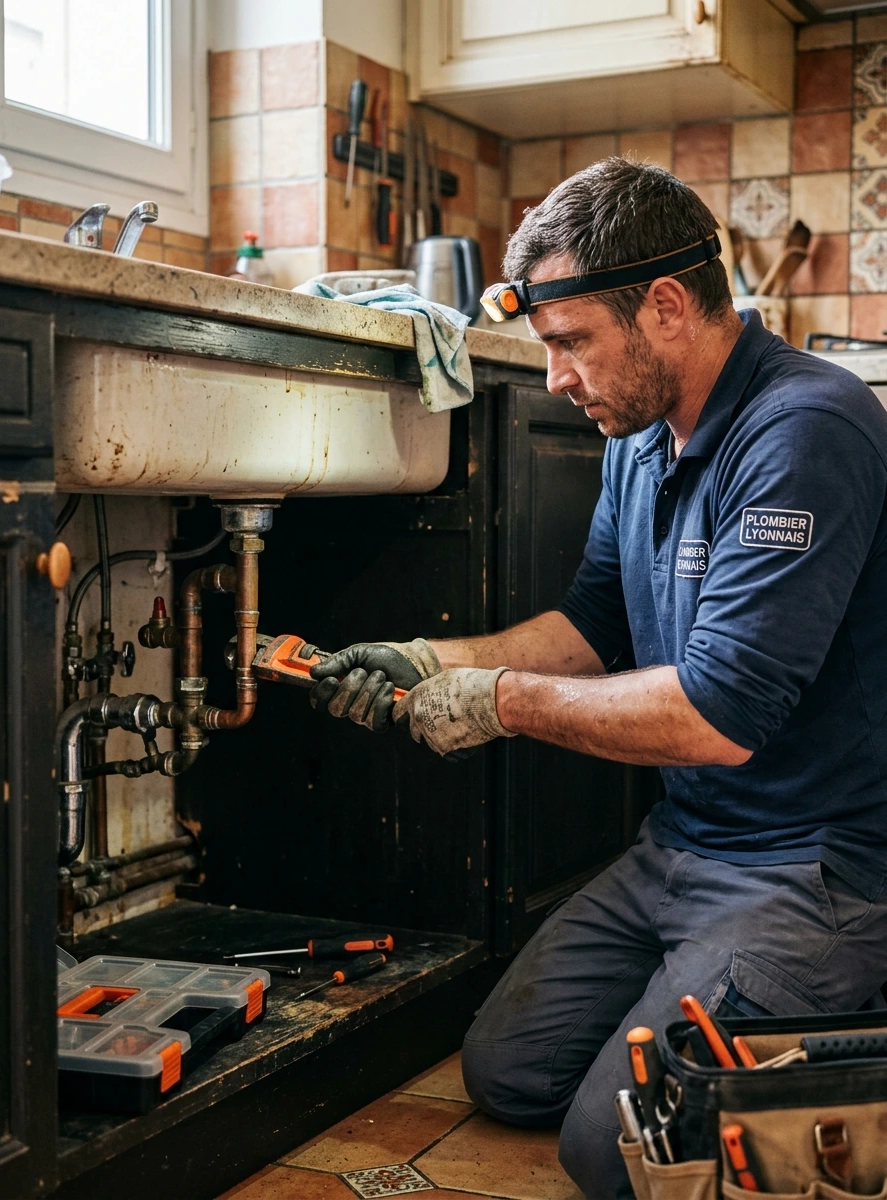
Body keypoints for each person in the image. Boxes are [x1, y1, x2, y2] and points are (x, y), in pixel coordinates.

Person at [306, 158, 887, 1199]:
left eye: (570, 343)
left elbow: (719, 715)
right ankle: (742, 1006)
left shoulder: (805, 428)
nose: (558, 378)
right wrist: (434, 660)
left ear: (665, 306)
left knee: (610, 1154)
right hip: (681, 848)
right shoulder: (640, 434)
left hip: (813, 866)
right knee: (506, 1072)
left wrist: (495, 704)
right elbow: (591, 623)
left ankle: (846, 1005)